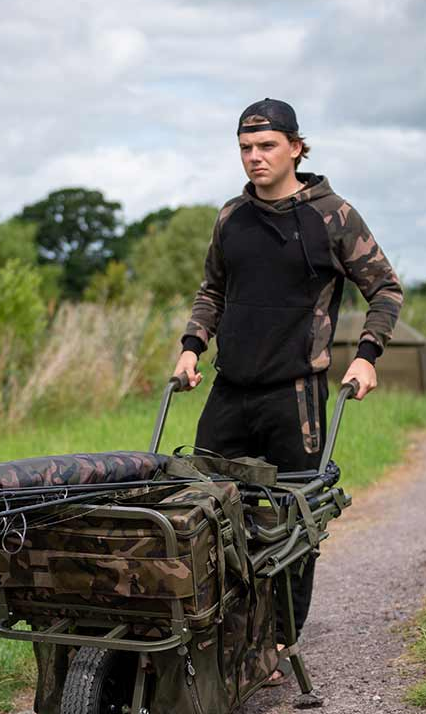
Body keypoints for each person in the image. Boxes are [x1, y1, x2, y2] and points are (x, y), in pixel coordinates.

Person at [171, 98, 404, 680]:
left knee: (292, 523)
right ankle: (215, 637)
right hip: (229, 392)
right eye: (245, 148)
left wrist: (367, 357)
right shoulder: (231, 218)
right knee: (204, 513)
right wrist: (192, 346)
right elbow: (212, 291)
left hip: (295, 396)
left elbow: (385, 289)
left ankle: (277, 643)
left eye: (267, 146)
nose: (255, 157)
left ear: (296, 148)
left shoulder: (332, 215)